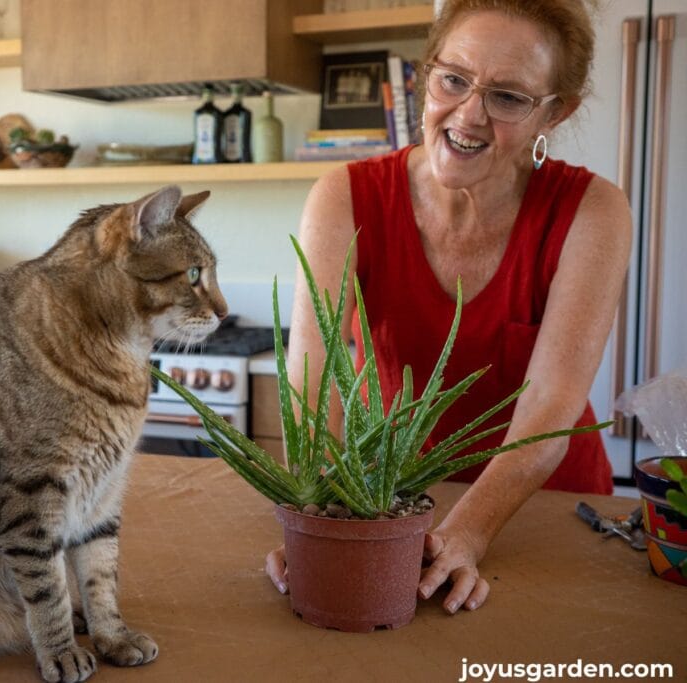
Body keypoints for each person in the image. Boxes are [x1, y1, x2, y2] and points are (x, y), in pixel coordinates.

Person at [265, 0, 631, 615]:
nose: (468, 115)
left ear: (554, 112)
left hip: (543, 510)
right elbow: (312, 377)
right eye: (453, 79)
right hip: (387, 497)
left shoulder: (594, 212)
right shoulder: (344, 197)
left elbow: (549, 409)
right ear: (424, 75)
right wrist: (323, 515)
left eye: (508, 97)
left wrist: (468, 531)